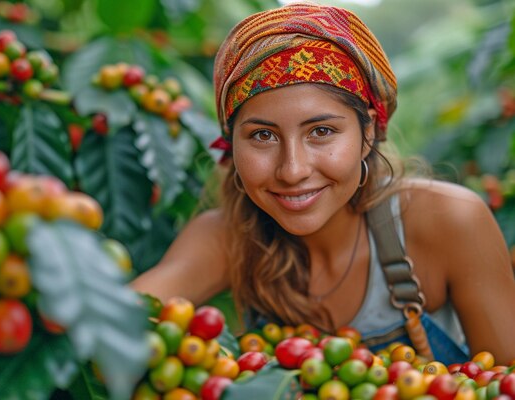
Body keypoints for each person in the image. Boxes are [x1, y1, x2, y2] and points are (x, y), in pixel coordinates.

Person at [131, 1, 515, 364]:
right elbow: (118, 322)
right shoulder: (227, 238)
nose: (292, 170)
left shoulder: (450, 221)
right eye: (263, 136)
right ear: (231, 143)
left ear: (367, 132)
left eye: (322, 131)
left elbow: (506, 381)